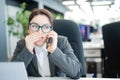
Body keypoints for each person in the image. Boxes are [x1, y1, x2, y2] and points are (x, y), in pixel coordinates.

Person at [11, 8, 83, 79]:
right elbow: (11, 75)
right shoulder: (22, 44)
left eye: (45, 27)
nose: (39, 32)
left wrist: (54, 50)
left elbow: (76, 72)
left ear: (51, 30)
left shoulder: (61, 42)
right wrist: (28, 50)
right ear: (28, 29)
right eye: (34, 26)